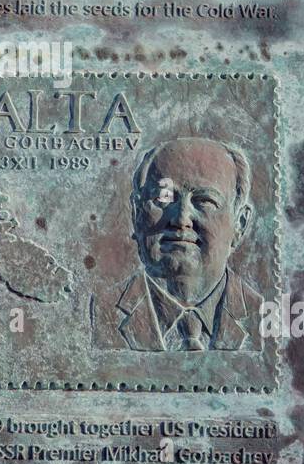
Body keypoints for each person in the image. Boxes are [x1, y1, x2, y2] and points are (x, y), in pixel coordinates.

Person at [92, 136, 263, 352]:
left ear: (240, 223)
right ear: (137, 215)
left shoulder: (265, 315)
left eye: (204, 201)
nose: (181, 219)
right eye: (163, 199)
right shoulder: (99, 311)